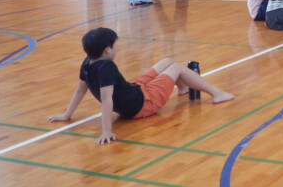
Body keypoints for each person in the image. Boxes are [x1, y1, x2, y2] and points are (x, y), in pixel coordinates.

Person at [47, 27, 233, 144]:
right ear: (108, 49)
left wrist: (67, 114)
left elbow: (80, 90)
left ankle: (183, 87)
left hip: (133, 91)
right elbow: (106, 99)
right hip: (142, 103)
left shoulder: (87, 62)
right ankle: (216, 93)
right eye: (115, 46)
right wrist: (107, 131)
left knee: (167, 61)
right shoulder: (106, 67)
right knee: (177, 67)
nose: (117, 49)